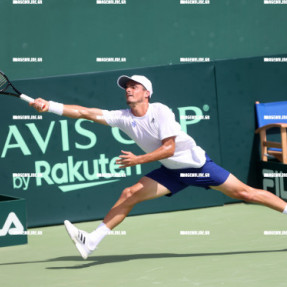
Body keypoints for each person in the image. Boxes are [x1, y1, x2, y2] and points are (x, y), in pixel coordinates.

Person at [30, 75, 287, 259]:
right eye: (127, 87)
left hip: (196, 166)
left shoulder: (160, 111)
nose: (129, 89)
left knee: (245, 193)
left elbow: (169, 148)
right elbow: (85, 112)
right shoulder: (123, 117)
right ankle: (90, 243)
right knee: (129, 194)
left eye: (134, 86)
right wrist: (49, 105)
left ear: (147, 93)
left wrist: (138, 160)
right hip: (170, 171)